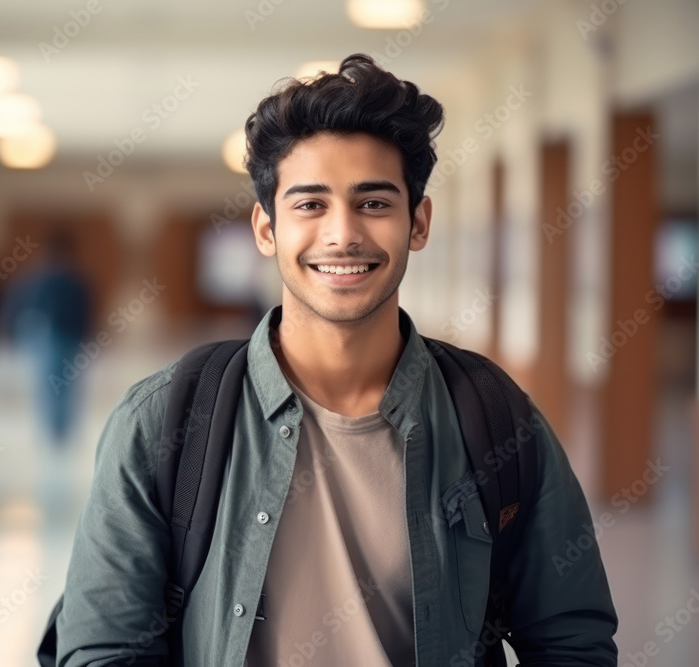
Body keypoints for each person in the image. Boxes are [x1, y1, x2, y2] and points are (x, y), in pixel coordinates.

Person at [54, 54, 618, 666]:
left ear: (418, 222)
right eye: (310, 205)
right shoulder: (164, 420)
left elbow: (571, 642)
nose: (342, 234)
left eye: (373, 203)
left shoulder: (496, 417)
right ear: (267, 229)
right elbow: (104, 650)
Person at [2, 229, 92, 447]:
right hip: (49, 339)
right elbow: (17, 307)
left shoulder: (70, 280)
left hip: (66, 338)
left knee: (60, 384)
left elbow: (85, 311)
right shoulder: (39, 279)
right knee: (52, 384)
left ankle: (59, 429)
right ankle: (55, 429)